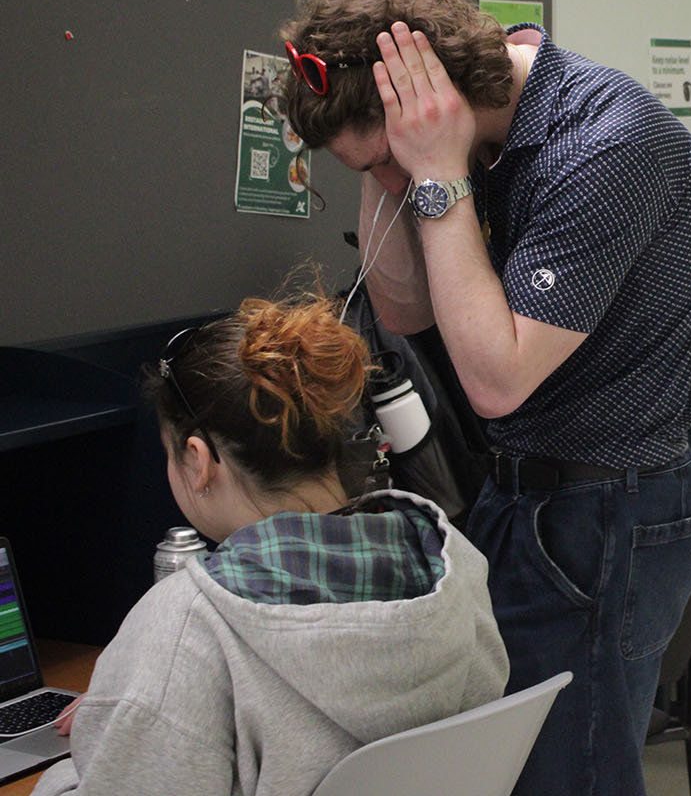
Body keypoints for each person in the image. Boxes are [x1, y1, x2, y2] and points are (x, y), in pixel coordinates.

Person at [277, 0, 691, 796]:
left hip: (610, 509)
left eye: (380, 157)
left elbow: (495, 380)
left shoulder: (607, 143)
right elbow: (405, 311)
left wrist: (436, 170)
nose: (391, 177)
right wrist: (391, 174)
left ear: (431, 97)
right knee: (517, 771)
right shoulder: (464, 139)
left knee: (569, 774)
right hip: (524, 497)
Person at [34, 291, 510, 796]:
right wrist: (148, 705)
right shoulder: (455, 566)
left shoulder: (185, 634)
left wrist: (132, 713)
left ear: (198, 460)